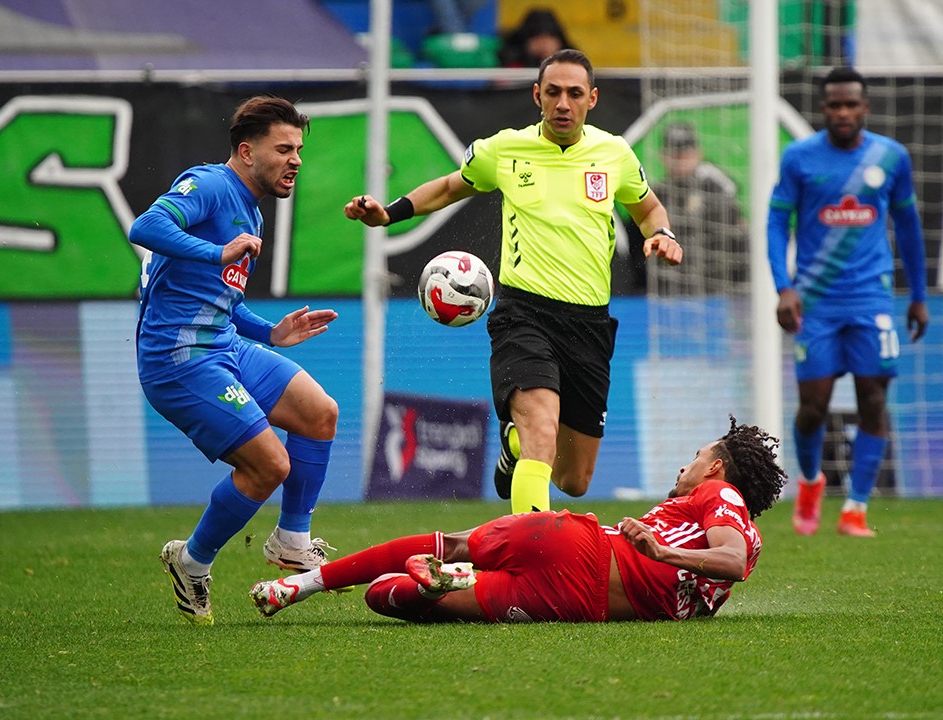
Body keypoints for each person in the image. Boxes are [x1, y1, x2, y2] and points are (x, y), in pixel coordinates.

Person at [344, 49, 683, 515]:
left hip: (589, 324)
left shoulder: (614, 154)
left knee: (575, 479)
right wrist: (390, 213)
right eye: (554, 92)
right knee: (541, 432)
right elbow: (447, 187)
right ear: (537, 96)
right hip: (525, 315)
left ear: (593, 99)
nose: (563, 103)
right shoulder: (505, 149)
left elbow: (648, 209)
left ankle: (513, 448)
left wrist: (661, 235)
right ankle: (532, 561)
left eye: (574, 94)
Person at [130, 95, 341, 625]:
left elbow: (222, 299)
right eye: (283, 149)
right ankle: (193, 561)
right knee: (270, 464)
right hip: (179, 357)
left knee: (320, 412)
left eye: (299, 150)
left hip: (224, 342)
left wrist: (270, 331)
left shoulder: (249, 208)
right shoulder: (209, 184)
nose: (295, 159)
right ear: (246, 151)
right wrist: (215, 251)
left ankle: (291, 540)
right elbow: (146, 227)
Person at [249, 417, 786, 623]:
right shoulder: (724, 565)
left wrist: (659, 551)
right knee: (387, 597)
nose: (684, 466)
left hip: (576, 549)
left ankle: (300, 585)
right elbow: (727, 567)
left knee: (448, 544)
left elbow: (730, 559)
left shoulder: (719, 495)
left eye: (694, 456)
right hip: (572, 605)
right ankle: (445, 583)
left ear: (715, 467)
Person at [767, 67, 929, 538]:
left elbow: (910, 229)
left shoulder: (890, 157)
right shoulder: (799, 158)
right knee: (812, 407)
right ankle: (812, 482)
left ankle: (856, 508)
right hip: (815, 302)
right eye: (834, 105)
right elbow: (777, 224)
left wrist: (918, 295)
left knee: (874, 399)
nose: (842, 112)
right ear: (824, 109)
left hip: (871, 298)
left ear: (865, 107)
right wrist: (784, 287)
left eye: (850, 104)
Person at [646, 123, 749, 294]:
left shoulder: (717, 189)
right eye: (674, 152)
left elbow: (741, 240)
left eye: (685, 151)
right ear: (663, 156)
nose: (680, 158)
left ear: (698, 153)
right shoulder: (655, 195)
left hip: (719, 290)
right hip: (669, 292)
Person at [497, 8, 573, 68]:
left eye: (549, 37)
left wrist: (554, 56)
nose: (544, 43)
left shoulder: (570, 55)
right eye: (537, 38)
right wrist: (529, 54)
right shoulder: (511, 53)